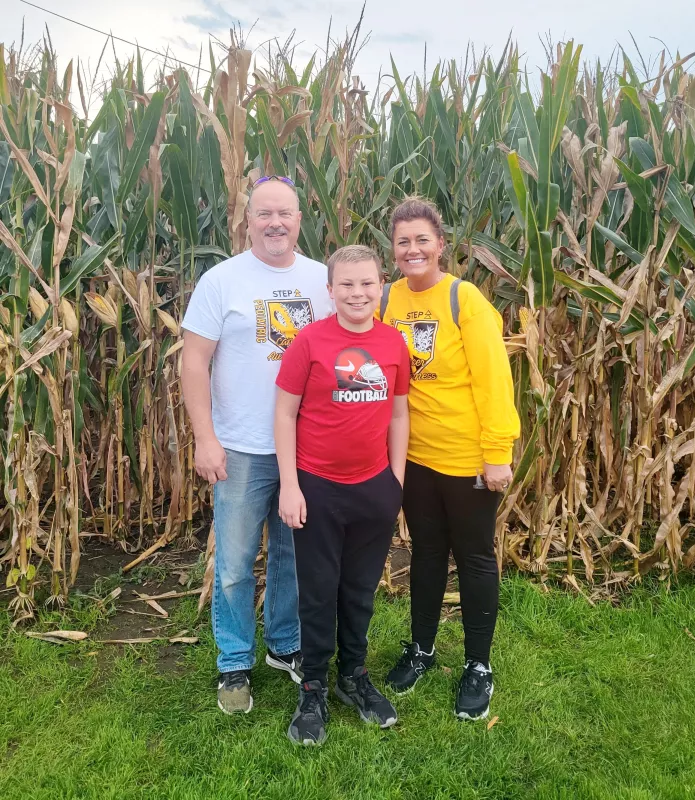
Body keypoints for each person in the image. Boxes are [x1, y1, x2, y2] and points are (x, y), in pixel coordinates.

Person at [181, 176, 333, 715]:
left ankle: (285, 645)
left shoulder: (322, 281)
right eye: (264, 213)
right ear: (247, 220)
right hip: (241, 446)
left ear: (299, 219)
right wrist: (205, 437)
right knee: (235, 562)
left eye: (285, 214)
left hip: (305, 446)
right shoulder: (221, 281)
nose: (275, 223)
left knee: (294, 556)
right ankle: (234, 661)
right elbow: (193, 361)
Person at [379, 197, 520, 721]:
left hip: (466, 458)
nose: (412, 249)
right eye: (402, 241)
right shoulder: (387, 299)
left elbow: (493, 380)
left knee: (476, 557)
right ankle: (421, 649)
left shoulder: (465, 300)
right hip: (415, 456)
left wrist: (497, 453)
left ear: (441, 244)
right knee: (427, 553)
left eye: (422, 240)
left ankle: (478, 665)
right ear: (392, 250)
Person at [274, 245, 410, 745]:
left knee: (359, 590)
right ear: (330, 290)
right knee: (318, 591)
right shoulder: (309, 342)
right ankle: (312, 686)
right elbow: (284, 414)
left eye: (367, 283)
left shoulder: (393, 344)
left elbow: (398, 413)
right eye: (347, 285)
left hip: (373, 487)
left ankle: (353, 676)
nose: (358, 293)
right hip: (317, 488)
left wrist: (394, 481)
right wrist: (290, 485)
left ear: (381, 286)